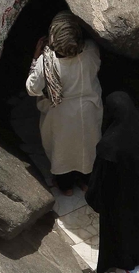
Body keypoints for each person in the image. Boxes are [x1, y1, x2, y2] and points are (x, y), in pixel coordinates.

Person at [86, 92, 139, 273]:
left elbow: (99, 182)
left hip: (119, 203)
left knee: (122, 234)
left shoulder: (108, 147)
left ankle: (125, 261)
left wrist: (95, 199)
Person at [25, 11, 102, 195]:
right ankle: (86, 183)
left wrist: (36, 57)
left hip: (59, 114)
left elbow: (32, 88)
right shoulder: (91, 51)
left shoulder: (46, 62)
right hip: (88, 110)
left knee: (62, 152)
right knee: (88, 148)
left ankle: (66, 187)